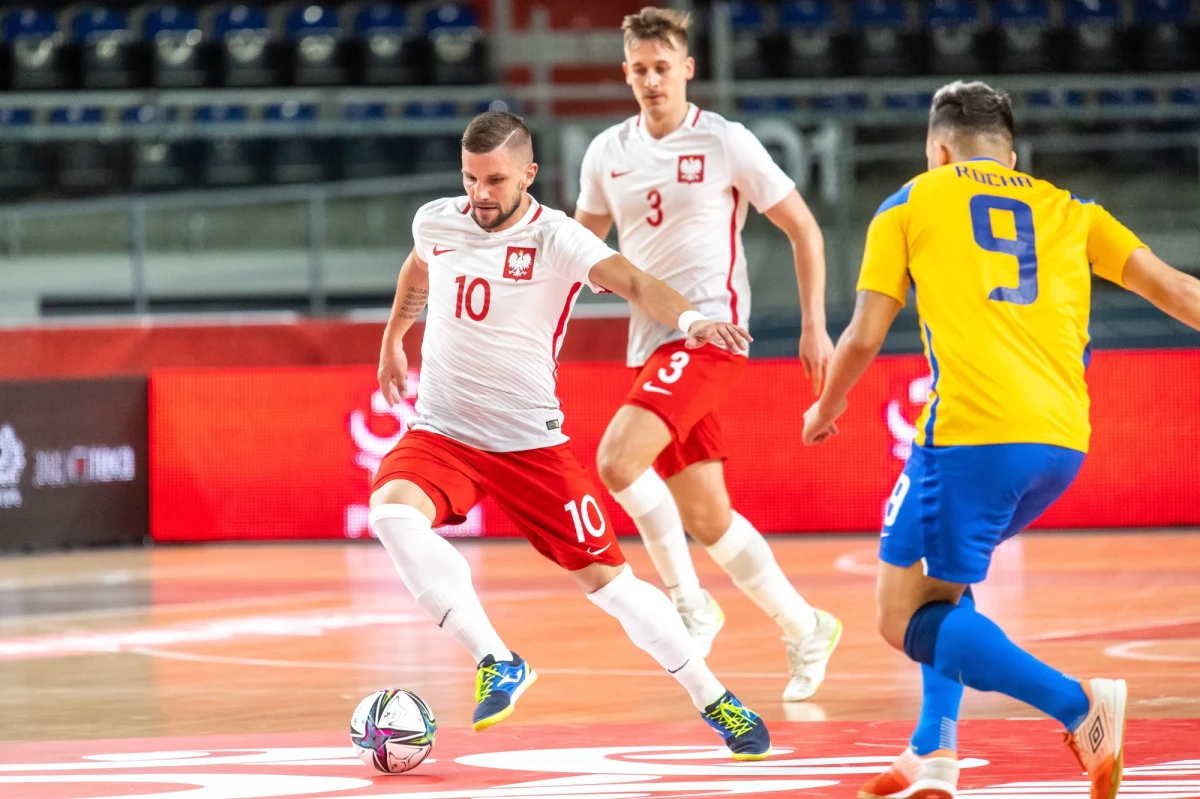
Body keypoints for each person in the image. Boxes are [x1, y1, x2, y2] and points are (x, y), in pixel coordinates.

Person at [802, 80, 1200, 799]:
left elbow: (862, 335)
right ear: (1012, 156)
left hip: (971, 436)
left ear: (937, 150)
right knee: (943, 585)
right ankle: (934, 750)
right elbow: (1177, 291)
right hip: (1062, 442)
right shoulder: (1073, 210)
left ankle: (1079, 706)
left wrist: (825, 407)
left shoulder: (909, 203)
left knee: (901, 616)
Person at [369, 110, 772, 760]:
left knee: (612, 586)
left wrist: (692, 320)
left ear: (528, 173)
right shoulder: (436, 221)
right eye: (470, 178)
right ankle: (497, 659)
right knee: (391, 514)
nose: (480, 194)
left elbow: (634, 281)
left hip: (529, 445)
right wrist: (394, 335)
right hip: (444, 432)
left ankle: (715, 697)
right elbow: (418, 269)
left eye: (496, 180)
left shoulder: (556, 237)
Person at [573, 6, 841, 703]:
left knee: (616, 461)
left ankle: (689, 603)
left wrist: (814, 325)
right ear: (625, 73)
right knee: (708, 516)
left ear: (687, 69)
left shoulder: (725, 141)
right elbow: (580, 251)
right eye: (640, 69)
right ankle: (806, 624)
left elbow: (804, 229)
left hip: (712, 338)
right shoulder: (606, 152)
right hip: (650, 346)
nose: (652, 81)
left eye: (663, 68)